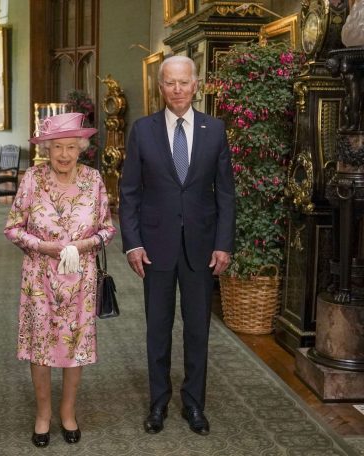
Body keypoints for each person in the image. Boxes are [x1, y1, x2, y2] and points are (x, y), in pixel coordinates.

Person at [119, 55, 235, 436]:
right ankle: (157, 404)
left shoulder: (215, 130)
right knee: (158, 330)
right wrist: (133, 244)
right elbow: (129, 192)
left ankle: (194, 405)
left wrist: (223, 244)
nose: (178, 89)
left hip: (202, 248)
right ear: (160, 85)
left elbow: (226, 196)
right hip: (155, 247)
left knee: (198, 331)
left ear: (196, 84)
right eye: (170, 82)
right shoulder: (143, 130)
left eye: (184, 82)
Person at [4, 112, 116, 448]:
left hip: (80, 279)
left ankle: (68, 412)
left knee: (75, 346)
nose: (64, 154)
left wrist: (83, 245)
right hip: (40, 278)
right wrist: (43, 246)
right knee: (41, 347)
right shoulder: (32, 179)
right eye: (57, 148)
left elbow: (108, 229)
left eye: (71, 147)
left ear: (81, 148)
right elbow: (12, 227)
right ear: (47, 150)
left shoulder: (94, 180)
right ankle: (43, 414)